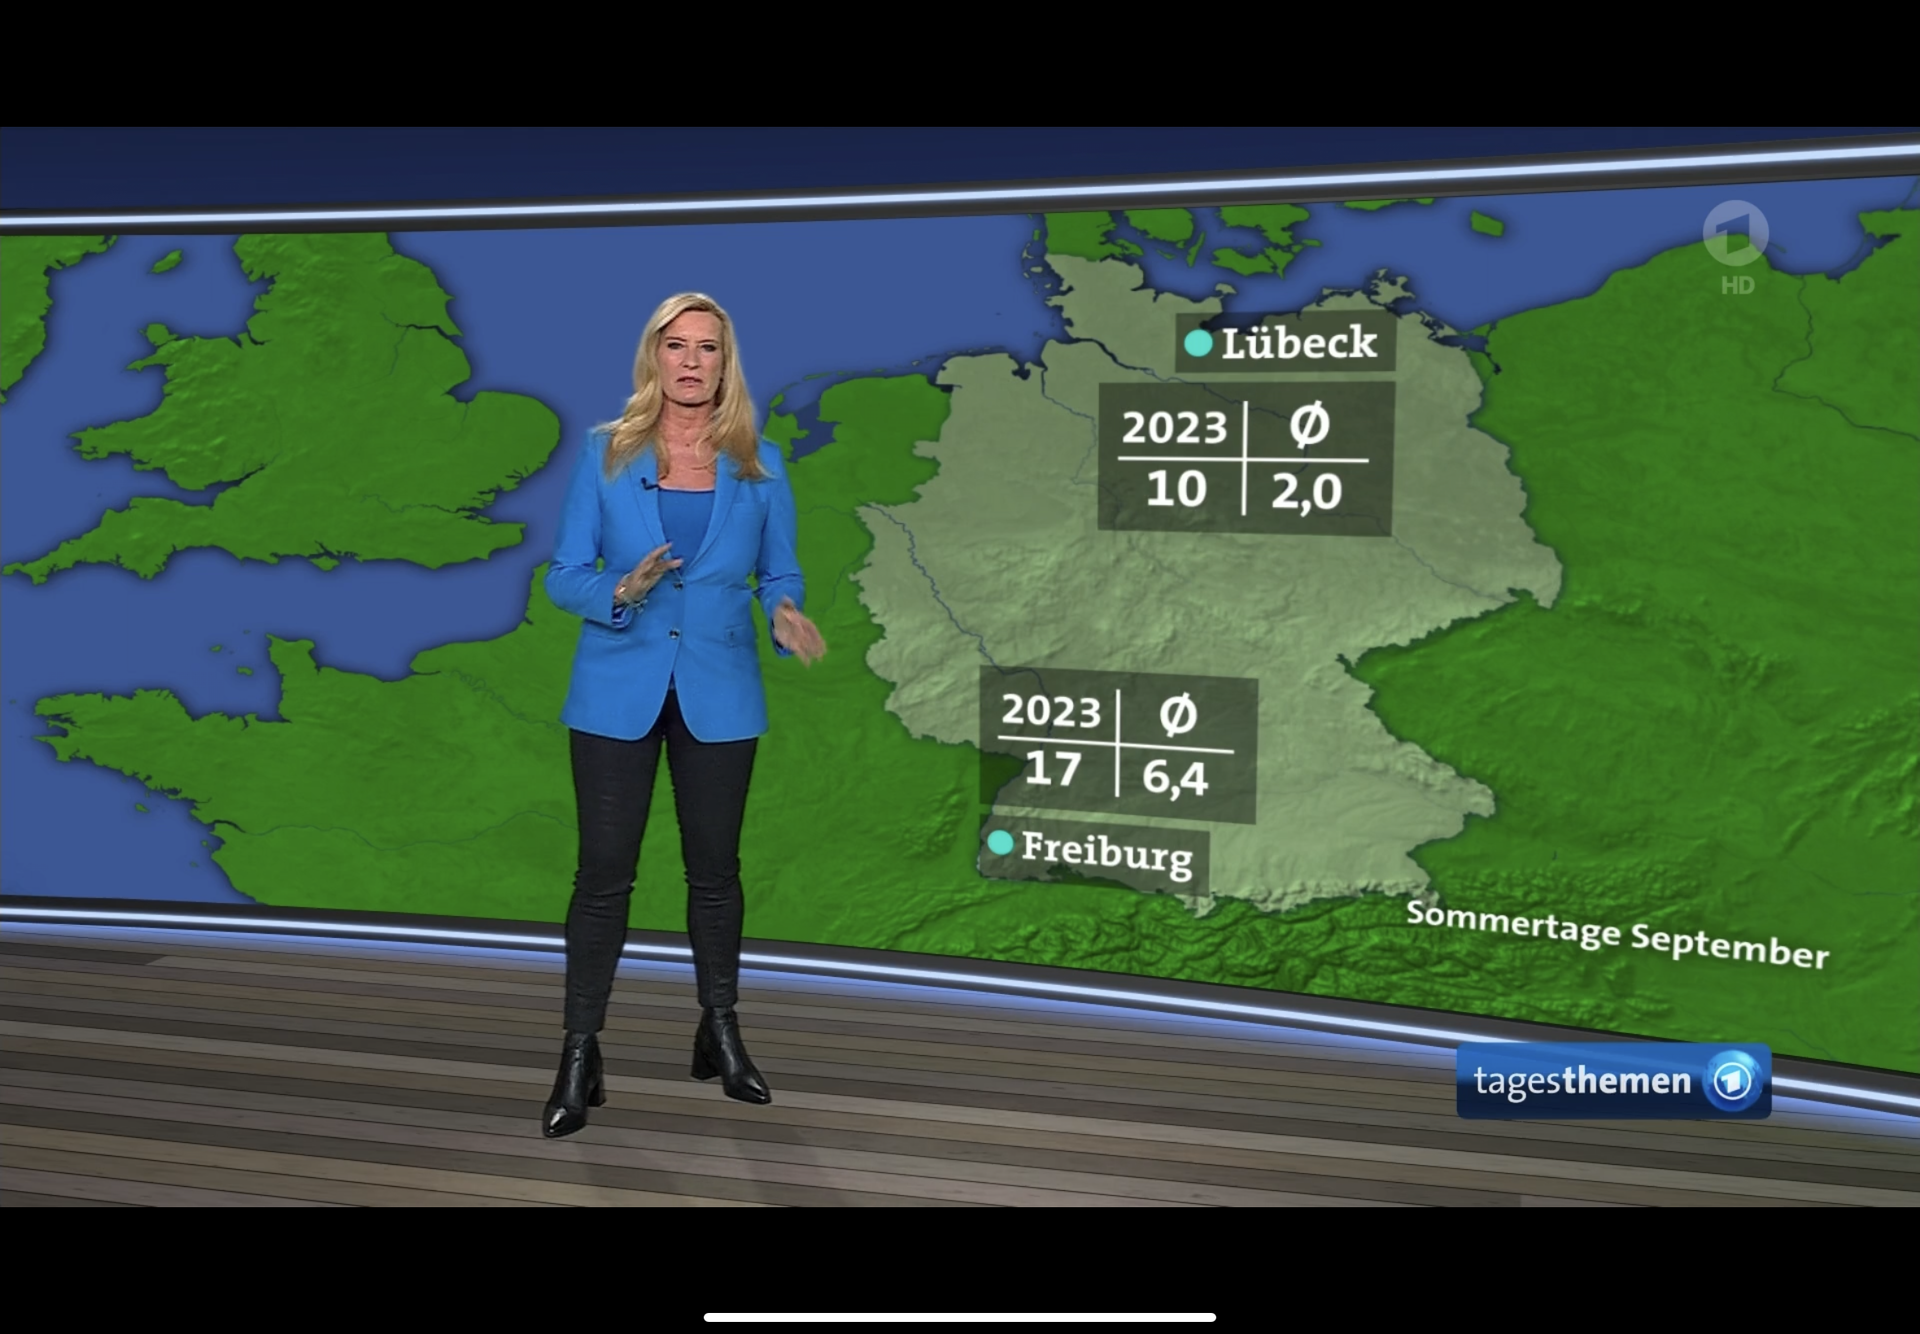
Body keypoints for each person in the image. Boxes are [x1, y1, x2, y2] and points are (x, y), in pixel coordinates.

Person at [539, 293, 825, 1139]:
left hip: (720, 688)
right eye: (676, 345)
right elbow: (562, 573)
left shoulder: (760, 464)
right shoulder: (605, 454)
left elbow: (780, 572)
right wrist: (620, 589)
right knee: (603, 877)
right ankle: (580, 1051)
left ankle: (720, 1030)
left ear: (725, 363)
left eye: (707, 347)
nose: (691, 361)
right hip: (615, 690)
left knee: (715, 874)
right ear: (653, 357)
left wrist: (783, 612)